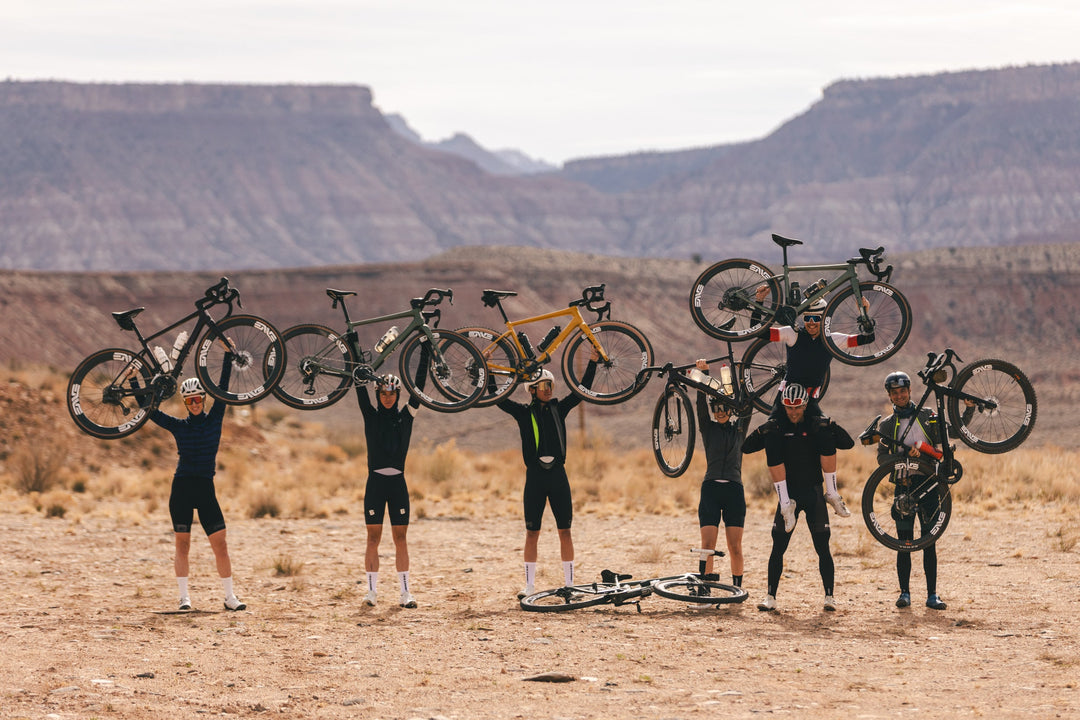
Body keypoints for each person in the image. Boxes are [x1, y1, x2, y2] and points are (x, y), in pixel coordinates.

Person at [743, 292, 862, 516]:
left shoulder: (833, 339)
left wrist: (863, 310)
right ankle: (785, 503)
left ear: (825, 318)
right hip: (785, 399)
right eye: (807, 318)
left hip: (811, 400)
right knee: (771, 435)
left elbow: (867, 339)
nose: (811, 323)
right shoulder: (793, 334)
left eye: (816, 319)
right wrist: (758, 302)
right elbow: (759, 331)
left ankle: (832, 493)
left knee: (826, 432)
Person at [147, 354, 245, 612]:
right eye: (189, 400)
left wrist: (225, 355)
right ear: (185, 402)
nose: (194, 404)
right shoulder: (179, 426)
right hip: (181, 488)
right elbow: (150, 412)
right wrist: (137, 385)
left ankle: (229, 597)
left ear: (203, 399)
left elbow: (222, 389)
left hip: (205, 489)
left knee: (220, 543)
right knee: (183, 544)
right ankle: (184, 598)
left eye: (197, 399)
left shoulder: (214, 419)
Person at [494, 353, 597, 599]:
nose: (549, 389)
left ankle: (570, 585)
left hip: (558, 476)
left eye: (550, 385)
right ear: (532, 389)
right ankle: (529, 587)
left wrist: (592, 361)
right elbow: (498, 400)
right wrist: (487, 372)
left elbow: (582, 391)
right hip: (535, 479)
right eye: (544, 385)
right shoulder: (522, 413)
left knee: (565, 531)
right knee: (532, 533)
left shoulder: (559, 409)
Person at [756, 383, 841, 612]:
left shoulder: (815, 426)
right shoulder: (778, 428)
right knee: (778, 546)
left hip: (813, 493)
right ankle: (770, 597)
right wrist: (763, 430)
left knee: (822, 546)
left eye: (798, 408)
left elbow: (846, 443)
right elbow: (747, 448)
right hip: (789, 497)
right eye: (788, 408)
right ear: (783, 406)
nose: (793, 412)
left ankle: (829, 597)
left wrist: (831, 425)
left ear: (805, 405)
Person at [356, 349, 429, 609]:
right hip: (375, 484)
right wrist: (355, 352)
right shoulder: (370, 415)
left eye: (392, 393)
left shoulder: (406, 415)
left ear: (398, 395)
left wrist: (425, 351)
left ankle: (405, 593)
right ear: (378, 395)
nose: (387, 398)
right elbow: (358, 385)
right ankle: (372, 592)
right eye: (383, 393)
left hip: (398, 484)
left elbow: (419, 386)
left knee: (400, 539)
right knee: (372, 539)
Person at [874, 371, 948, 611]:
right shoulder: (886, 424)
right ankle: (904, 593)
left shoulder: (927, 416)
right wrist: (903, 455)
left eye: (903, 391)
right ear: (889, 396)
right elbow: (882, 459)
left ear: (910, 391)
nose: (900, 396)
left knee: (929, 541)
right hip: (904, 488)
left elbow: (948, 436)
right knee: (903, 542)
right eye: (894, 393)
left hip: (928, 485)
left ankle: (932, 595)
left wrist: (966, 409)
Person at [693, 359, 749, 588]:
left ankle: (737, 588)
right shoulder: (708, 428)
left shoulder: (739, 428)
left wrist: (741, 377)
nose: (720, 412)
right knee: (708, 545)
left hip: (734, 490)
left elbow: (748, 405)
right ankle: (704, 588)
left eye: (724, 407)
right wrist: (703, 373)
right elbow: (699, 404)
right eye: (715, 409)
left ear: (729, 408)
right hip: (711, 490)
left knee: (735, 546)